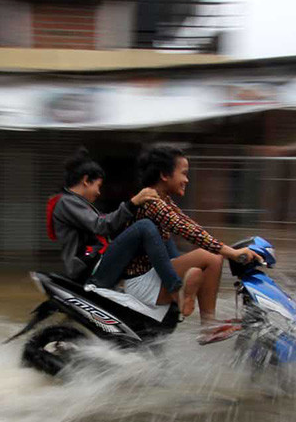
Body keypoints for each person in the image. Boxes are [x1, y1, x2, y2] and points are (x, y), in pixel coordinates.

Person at [124, 145, 263, 338]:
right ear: (165, 175)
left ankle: (206, 321)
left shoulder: (163, 201)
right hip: (142, 283)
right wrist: (232, 253)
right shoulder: (151, 202)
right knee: (210, 256)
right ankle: (200, 315)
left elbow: (193, 227)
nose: (187, 180)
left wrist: (230, 250)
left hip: (153, 277)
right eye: (184, 173)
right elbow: (186, 230)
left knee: (209, 260)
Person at [47, 148, 202, 315]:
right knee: (145, 227)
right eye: (98, 186)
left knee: (157, 229)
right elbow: (101, 225)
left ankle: (180, 272)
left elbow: (107, 227)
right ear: (86, 181)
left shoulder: (76, 203)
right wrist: (132, 203)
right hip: (91, 269)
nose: (99, 192)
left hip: (101, 262)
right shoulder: (66, 203)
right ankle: (175, 288)